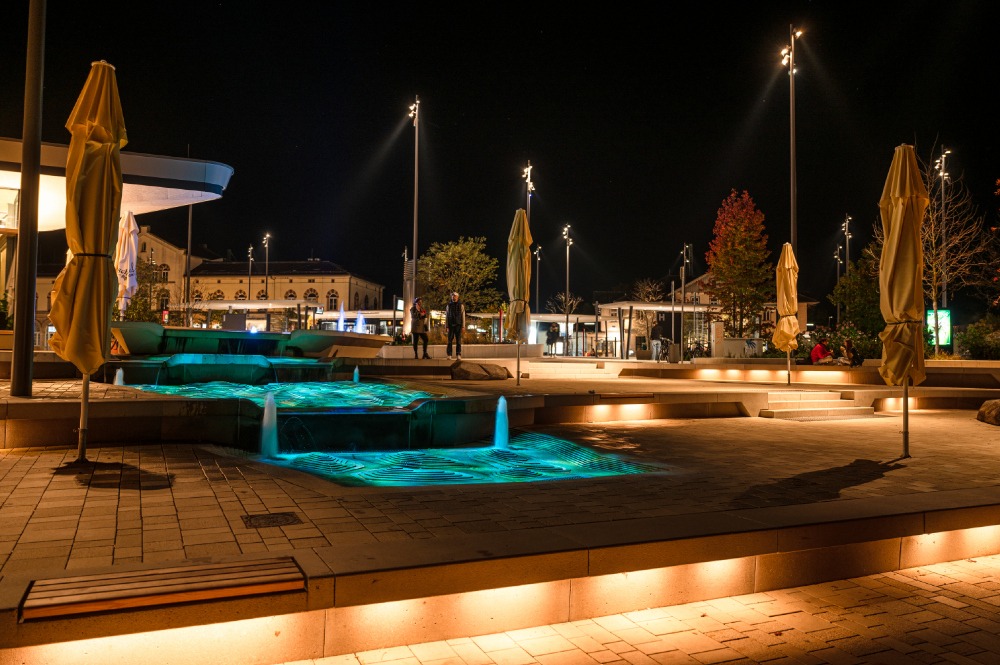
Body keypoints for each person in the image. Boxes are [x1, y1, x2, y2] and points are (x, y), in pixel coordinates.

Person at [445, 291, 465, 360]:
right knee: (449, 341)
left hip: (458, 325)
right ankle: (449, 354)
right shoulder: (448, 305)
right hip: (450, 325)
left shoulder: (461, 305)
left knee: (458, 341)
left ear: (457, 297)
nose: (454, 297)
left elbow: (463, 316)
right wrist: (446, 326)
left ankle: (458, 354)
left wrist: (463, 326)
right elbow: (447, 316)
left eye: (455, 296)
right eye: (452, 296)